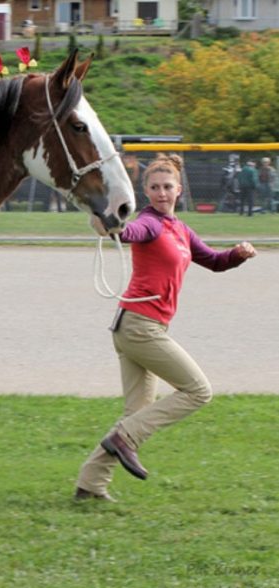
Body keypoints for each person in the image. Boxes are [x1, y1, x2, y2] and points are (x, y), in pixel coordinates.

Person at [74, 154, 257, 502]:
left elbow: (215, 262)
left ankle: (90, 485)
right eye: (154, 187)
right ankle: (123, 440)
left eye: (167, 187)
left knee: (136, 414)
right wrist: (108, 225)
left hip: (136, 326)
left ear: (178, 189)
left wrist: (238, 253)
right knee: (199, 391)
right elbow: (130, 232)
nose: (161, 193)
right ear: (145, 191)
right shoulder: (151, 223)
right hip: (140, 328)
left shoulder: (181, 229)